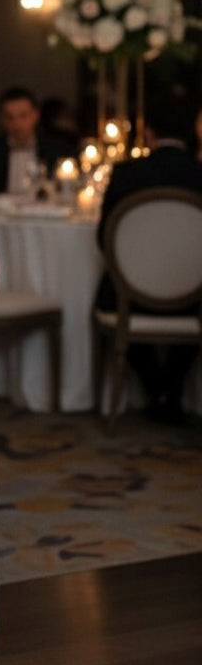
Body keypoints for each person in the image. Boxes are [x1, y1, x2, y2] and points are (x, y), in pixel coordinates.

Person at [96, 95, 202, 423]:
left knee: (104, 297)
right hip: (194, 298)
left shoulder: (126, 174)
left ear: (148, 132)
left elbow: (103, 239)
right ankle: (170, 388)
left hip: (129, 297)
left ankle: (156, 387)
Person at [0, 85, 69, 195]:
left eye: (23, 116)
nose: (16, 124)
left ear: (36, 115)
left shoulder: (56, 148)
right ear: (1, 118)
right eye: (9, 117)